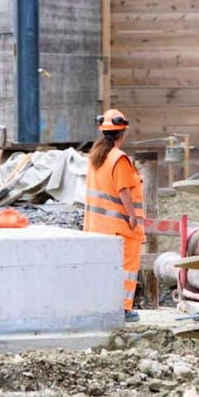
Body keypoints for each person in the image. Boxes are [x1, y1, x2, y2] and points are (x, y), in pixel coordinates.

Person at [84, 109, 145, 323]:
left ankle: (103, 307)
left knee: (103, 269)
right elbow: (123, 190)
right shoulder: (119, 159)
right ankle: (124, 309)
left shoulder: (95, 157)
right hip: (119, 225)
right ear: (123, 132)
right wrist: (132, 217)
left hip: (97, 225)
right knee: (126, 268)